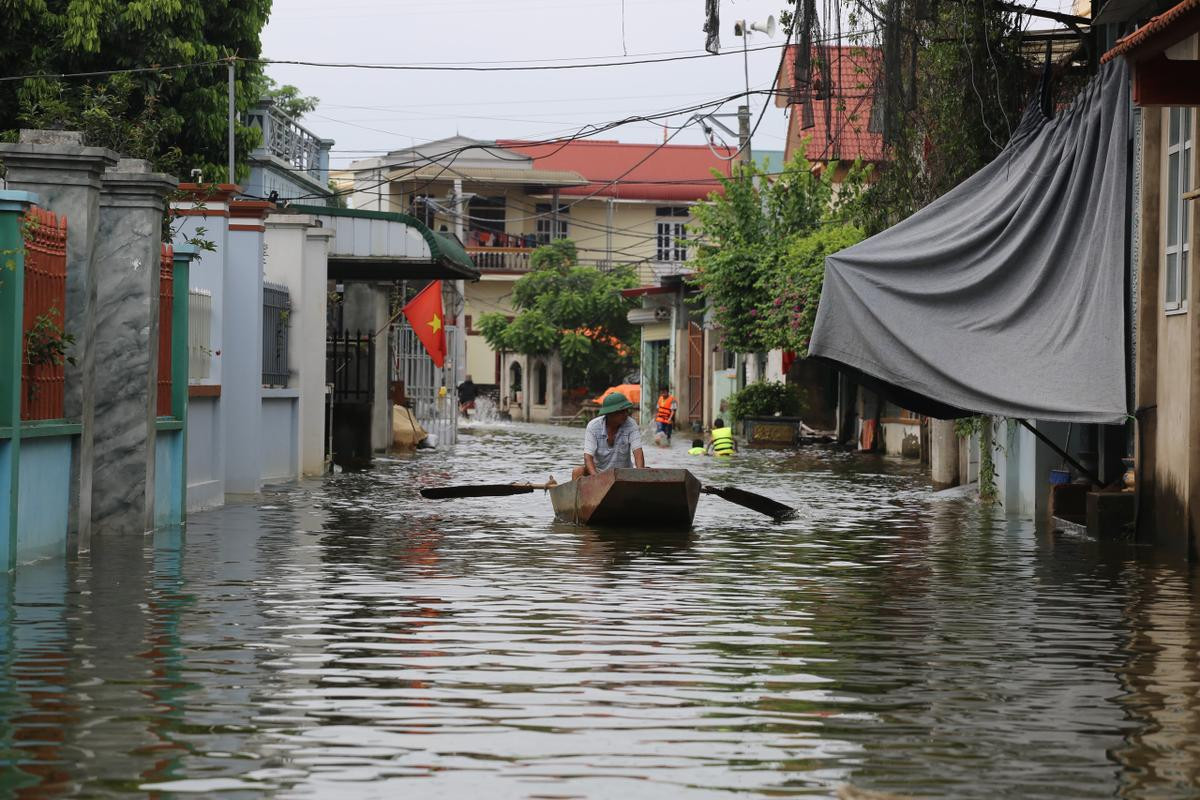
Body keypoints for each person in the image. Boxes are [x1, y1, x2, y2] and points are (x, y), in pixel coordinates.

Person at [573, 391, 645, 479]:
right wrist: (597, 478)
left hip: (622, 473)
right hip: (599, 472)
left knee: (645, 471)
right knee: (577, 471)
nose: (625, 414)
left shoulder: (631, 424)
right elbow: (588, 457)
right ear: (610, 413)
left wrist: (641, 475)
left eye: (626, 411)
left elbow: (638, 453)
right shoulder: (593, 426)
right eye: (621, 412)